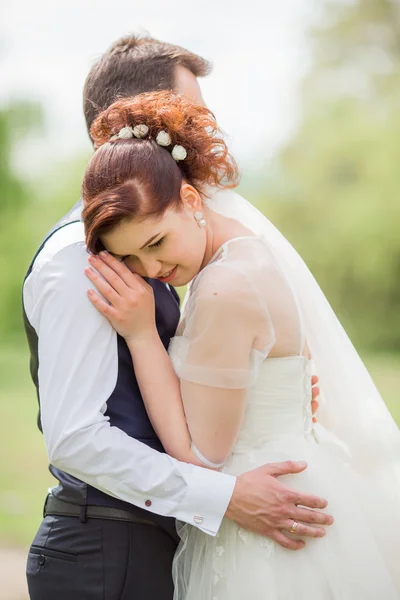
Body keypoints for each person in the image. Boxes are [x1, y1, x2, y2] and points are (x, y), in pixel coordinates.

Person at [23, 36, 330, 600]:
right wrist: (224, 495)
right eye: (192, 112)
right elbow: (77, 439)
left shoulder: (156, 249)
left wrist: (261, 391)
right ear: (144, 115)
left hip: (156, 540)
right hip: (106, 554)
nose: (202, 131)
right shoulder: (81, 260)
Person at [82, 90, 400, 599]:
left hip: (268, 525)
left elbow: (201, 459)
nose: (151, 272)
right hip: (292, 482)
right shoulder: (246, 252)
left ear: (189, 201)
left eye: (156, 243)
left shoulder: (224, 286)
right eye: (132, 261)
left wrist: (142, 336)